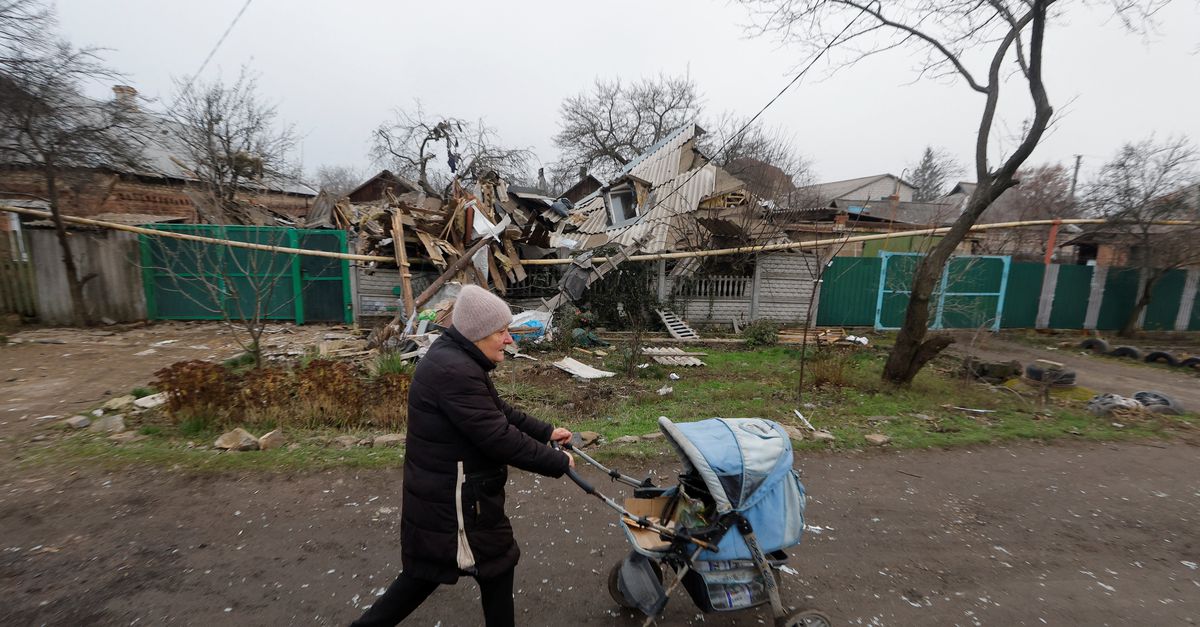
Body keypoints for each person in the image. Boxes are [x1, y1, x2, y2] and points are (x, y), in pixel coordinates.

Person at [351, 284, 574, 627]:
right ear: (477, 334)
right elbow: (498, 437)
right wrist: (557, 461)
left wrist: (545, 432)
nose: (509, 339)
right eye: (501, 332)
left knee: (440, 570)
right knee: (490, 564)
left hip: (452, 491)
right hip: (456, 500)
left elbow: (497, 411)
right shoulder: (454, 371)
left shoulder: (458, 360)